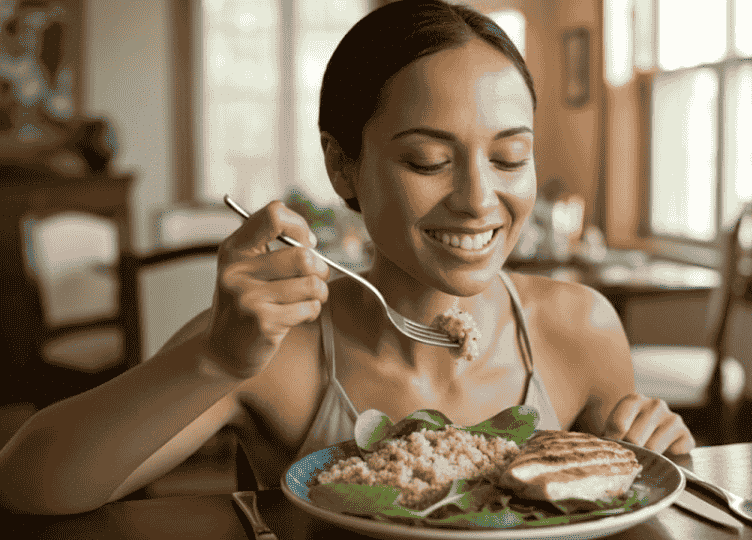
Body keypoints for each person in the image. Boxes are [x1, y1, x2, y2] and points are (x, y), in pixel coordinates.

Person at [0, 0, 694, 515]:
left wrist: (653, 450)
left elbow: (622, 493)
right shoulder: (278, 346)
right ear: (343, 169)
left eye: (510, 156)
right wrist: (213, 360)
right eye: (428, 159)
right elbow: (29, 484)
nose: (480, 199)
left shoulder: (582, 328)